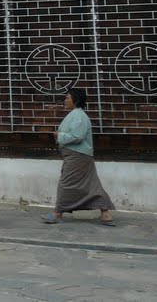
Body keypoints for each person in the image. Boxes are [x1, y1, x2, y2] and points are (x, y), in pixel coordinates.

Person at [42, 88, 115, 226]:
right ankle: (105, 214)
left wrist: (59, 135)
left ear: (75, 99)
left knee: (66, 183)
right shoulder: (76, 115)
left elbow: (78, 137)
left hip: (77, 156)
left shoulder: (79, 116)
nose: (65, 101)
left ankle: (58, 213)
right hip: (79, 156)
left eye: (67, 98)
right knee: (92, 184)